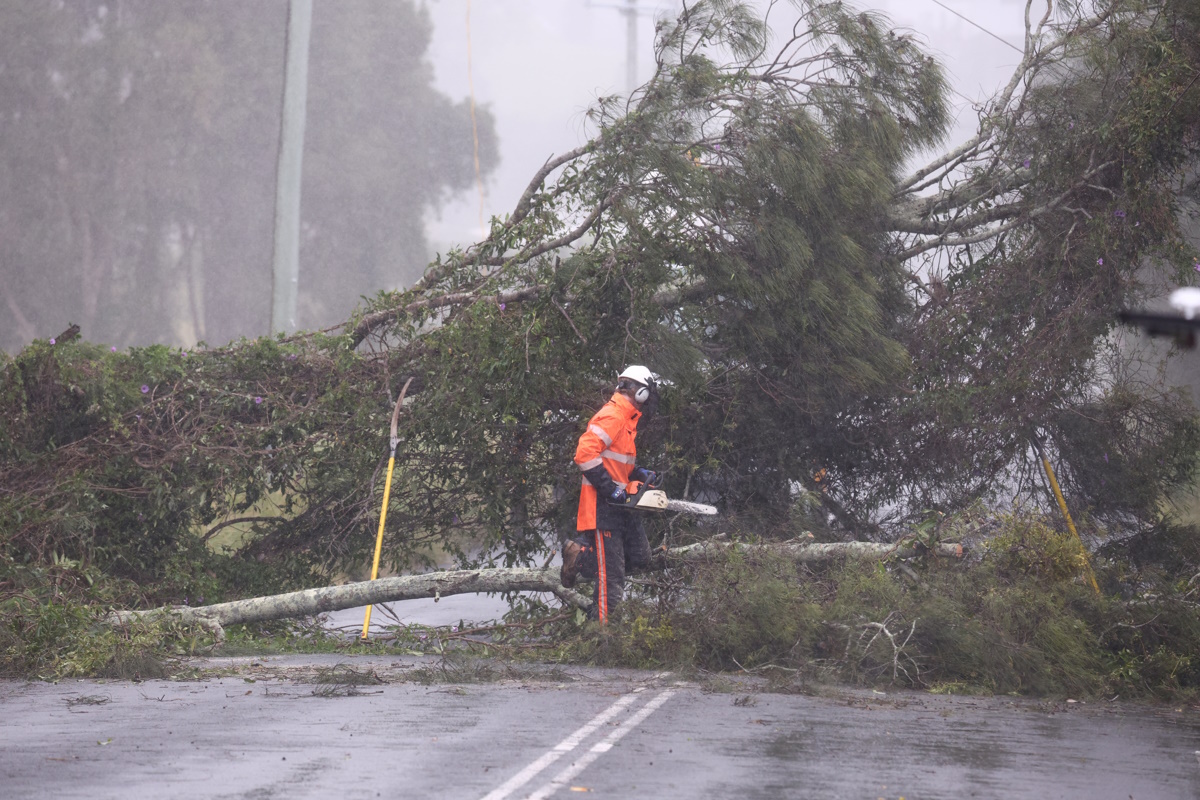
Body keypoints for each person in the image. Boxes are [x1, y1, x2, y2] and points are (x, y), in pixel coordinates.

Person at [560, 365, 663, 623]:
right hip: (602, 507)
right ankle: (602, 638)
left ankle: (583, 556)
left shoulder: (628, 421)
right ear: (639, 392)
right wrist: (611, 490)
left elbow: (614, 463)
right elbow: (584, 454)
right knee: (612, 582)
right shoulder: (614, 416)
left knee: (641, 557)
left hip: (622, 505)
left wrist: (637, 473)